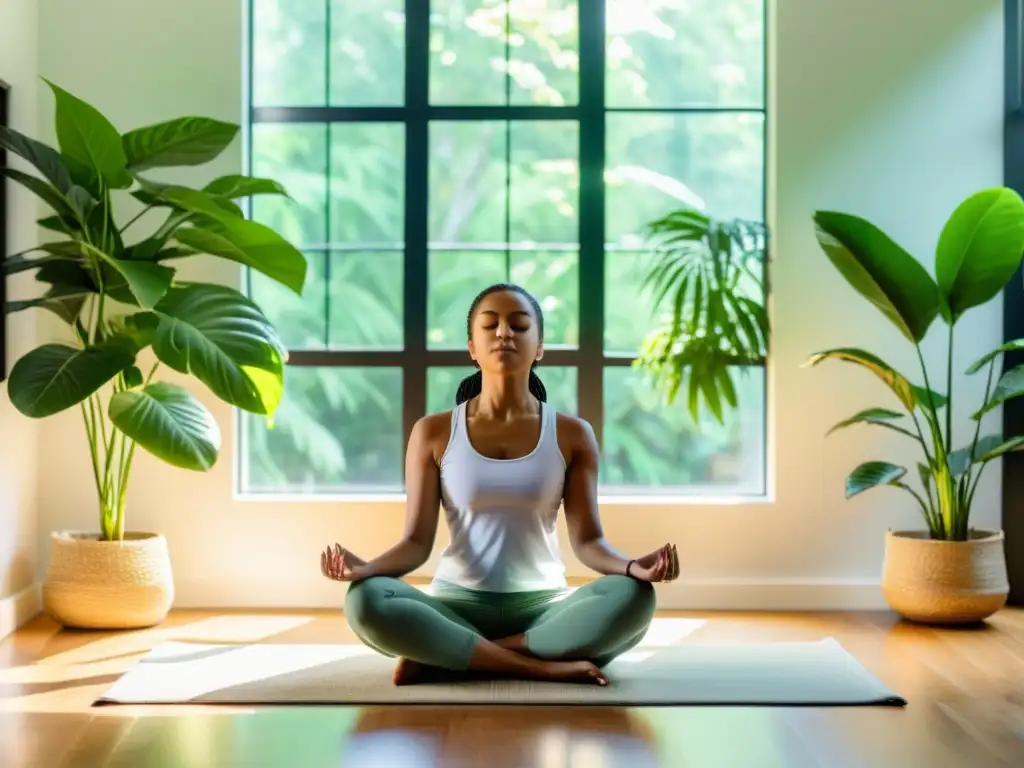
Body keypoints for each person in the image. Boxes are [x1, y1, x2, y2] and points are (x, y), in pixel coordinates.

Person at [320, 283, 680, 686]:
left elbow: (588, 542)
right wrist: (366, 568)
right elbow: (416, 544)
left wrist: (633, 567)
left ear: (539, 347)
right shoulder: (434, 432)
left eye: (519, 325)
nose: (504, 333)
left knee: (633, 599)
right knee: (366, 600)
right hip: (454, 608)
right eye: (490, 325)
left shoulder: (572, 434)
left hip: (543, 609)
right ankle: (538, 665)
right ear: (472, 347)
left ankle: (447, 656)